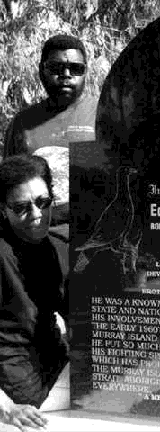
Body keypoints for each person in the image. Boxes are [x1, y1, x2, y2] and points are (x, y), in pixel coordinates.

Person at [4, 34, 98, 241]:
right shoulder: (23, 123)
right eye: (56, 68)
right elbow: (9, 191)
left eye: (76, 68)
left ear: (85, 73)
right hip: (37, 243)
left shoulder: (105, 116)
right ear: (41, 70)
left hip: (92, 244)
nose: (66, 75)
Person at [0, 154, 69, 430]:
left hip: (59, 371)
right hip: (21, 399)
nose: (37, 215)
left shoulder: (57, 247)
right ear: (2, 209)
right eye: (21, 207)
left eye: (43, 202)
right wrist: (5, 409)